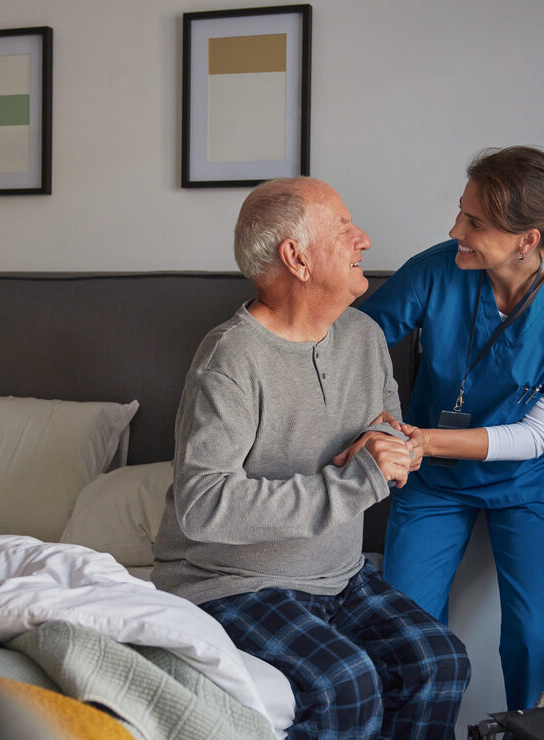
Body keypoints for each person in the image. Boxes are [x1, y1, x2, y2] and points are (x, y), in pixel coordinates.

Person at [152, 177, 470, 739]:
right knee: (346, 682)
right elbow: (203, 505)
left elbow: (388, 438)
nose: (363, 239)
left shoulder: (365, 337)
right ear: (297, 258)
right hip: (233, 582)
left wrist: (388, 453)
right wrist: (355, 478)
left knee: (439, 662)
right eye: (344, 227)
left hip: (339, 577)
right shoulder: (231, 358)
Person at [358, 146, 544, 711]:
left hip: (530, 480)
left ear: (527, 239)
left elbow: (537, 435)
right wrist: (375, 420)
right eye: (460, 212)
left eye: (474, 222)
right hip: (434, 480)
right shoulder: (436, 269)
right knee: (407, 630)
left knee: (535, 636)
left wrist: (423, 439)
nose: (456, 230)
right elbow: (356, 345)